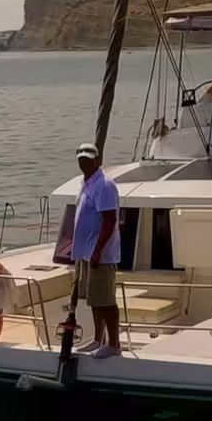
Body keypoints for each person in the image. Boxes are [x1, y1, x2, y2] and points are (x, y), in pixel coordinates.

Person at [70, 143, 123, 357]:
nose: (84, 162)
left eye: (88, 158)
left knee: (106, 301)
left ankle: (114, 345)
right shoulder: (86, 183)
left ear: (96, 160)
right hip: (85, 254)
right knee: (95, 300)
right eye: (80, 158)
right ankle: (97, 339)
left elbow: (109, 220)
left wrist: (97, 251)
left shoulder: (104, 185)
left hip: (99, 255)